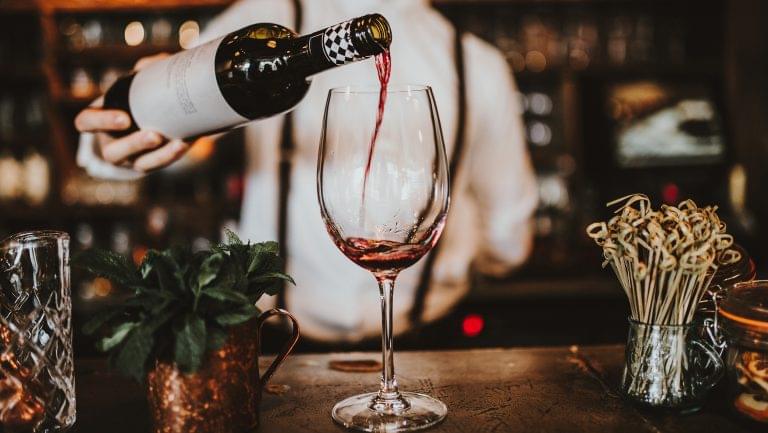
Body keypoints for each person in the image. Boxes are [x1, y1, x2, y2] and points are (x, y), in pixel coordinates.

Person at [74, 0, 538, 343]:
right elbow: (506, 240)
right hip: (276, 340)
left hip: (431, 348)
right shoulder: (262, 25)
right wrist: (117, 136)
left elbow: (511, 238)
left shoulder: (480, 63)